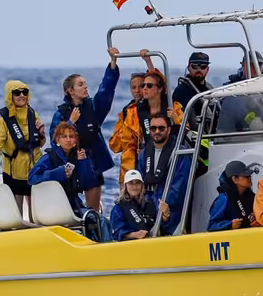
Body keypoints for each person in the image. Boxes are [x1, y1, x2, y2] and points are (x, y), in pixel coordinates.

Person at [51, 48, 123, 212]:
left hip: (92, 166)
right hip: (70, 166)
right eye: (81, 84)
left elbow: (105, 91)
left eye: (86, 84)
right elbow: (55, 141)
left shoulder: (93, 107)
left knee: (93, 211)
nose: (86, 87)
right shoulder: (60, 114)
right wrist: (71, 122)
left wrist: (112, 64)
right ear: (70, 90)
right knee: (71, 210)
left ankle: (96, 231)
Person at [0, 80, 45, 210]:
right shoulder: (3, 120)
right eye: (17, 93)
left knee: (35, 210)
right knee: (16, 210)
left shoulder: (33, 114)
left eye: (25, 92)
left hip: (35, 169)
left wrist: (41, 134)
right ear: (9, 96)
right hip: (13, 172)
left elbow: (39, 144)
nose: (21, 95)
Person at [108, 68, 177, 175]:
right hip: (138, 165)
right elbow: (116, 146)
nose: (139, 90)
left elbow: (159, 80)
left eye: (143, 86)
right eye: (133, 87)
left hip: (167, 159)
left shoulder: (171, 106)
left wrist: (148, 61)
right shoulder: (129, 112)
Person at [30, 120, 103, 218]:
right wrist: (59, 173)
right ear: (57, 140)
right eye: (64, 136)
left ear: (75, 140)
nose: (68, 140)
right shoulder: (49, 158)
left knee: (101, 220)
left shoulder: (76, 157)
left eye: (71, 137)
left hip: (74, 206)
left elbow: (87, 184)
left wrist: (83, 163)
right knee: (95, 219)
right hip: (54, 207)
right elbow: (32, 178)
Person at [134, 111, 193, 227]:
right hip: (147, 207)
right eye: (153, 128)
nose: (157, 131)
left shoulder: (180, 153)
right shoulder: (144, 154)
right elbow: (138, 182)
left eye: (161, 128)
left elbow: (180, 189)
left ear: (169, 130)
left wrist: (158, 205)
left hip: (172, 212)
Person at [106, 170, 158, 241]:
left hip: (154, 240)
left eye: (137, 183)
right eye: (131, 183)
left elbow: (164, 223)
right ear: (125, 185)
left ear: (142, 185)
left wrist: (166, 214)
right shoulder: (118, 208)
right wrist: (135, 234)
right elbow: (116, 233)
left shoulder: (153, 200)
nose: (134, 186)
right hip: (131, 244)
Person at [206, 161, 257, 232]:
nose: (250, 178)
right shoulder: (224, 198)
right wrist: (229, 224)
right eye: (246, 176)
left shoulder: (252, 196)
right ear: (235, 179)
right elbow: (211, 226)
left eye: (249, 175)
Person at [171, 52, 215, 121]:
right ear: (188, 68)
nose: (199, 70)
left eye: (203, 66)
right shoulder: (180, 91)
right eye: (195, 66)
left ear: (207, 69)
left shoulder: (210, 89)